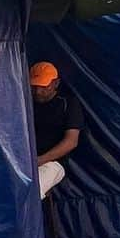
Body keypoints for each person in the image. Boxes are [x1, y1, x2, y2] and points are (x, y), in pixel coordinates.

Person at [30, 62, 84, 196]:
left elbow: (71, 141)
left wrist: (41, 160)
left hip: (53, 163)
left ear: (56, 83)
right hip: (24, 161)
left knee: (31, 192)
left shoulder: (68, 104)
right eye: (34, 86)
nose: (38, 91)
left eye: (43, 86)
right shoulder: (26, 102)